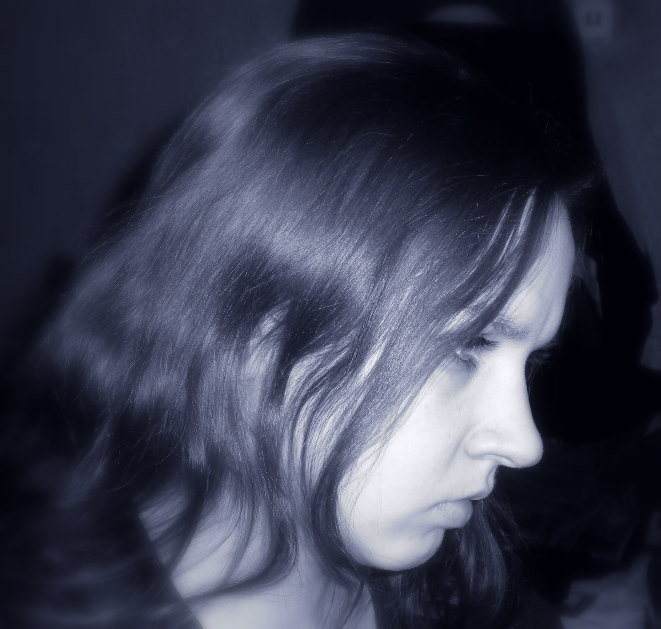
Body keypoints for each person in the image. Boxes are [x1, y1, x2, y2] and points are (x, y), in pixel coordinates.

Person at [6, 33, 592, 628]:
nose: (524, 444)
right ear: (255, 324)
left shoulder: (444, 569)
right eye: (468, 347)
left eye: (530, 361)